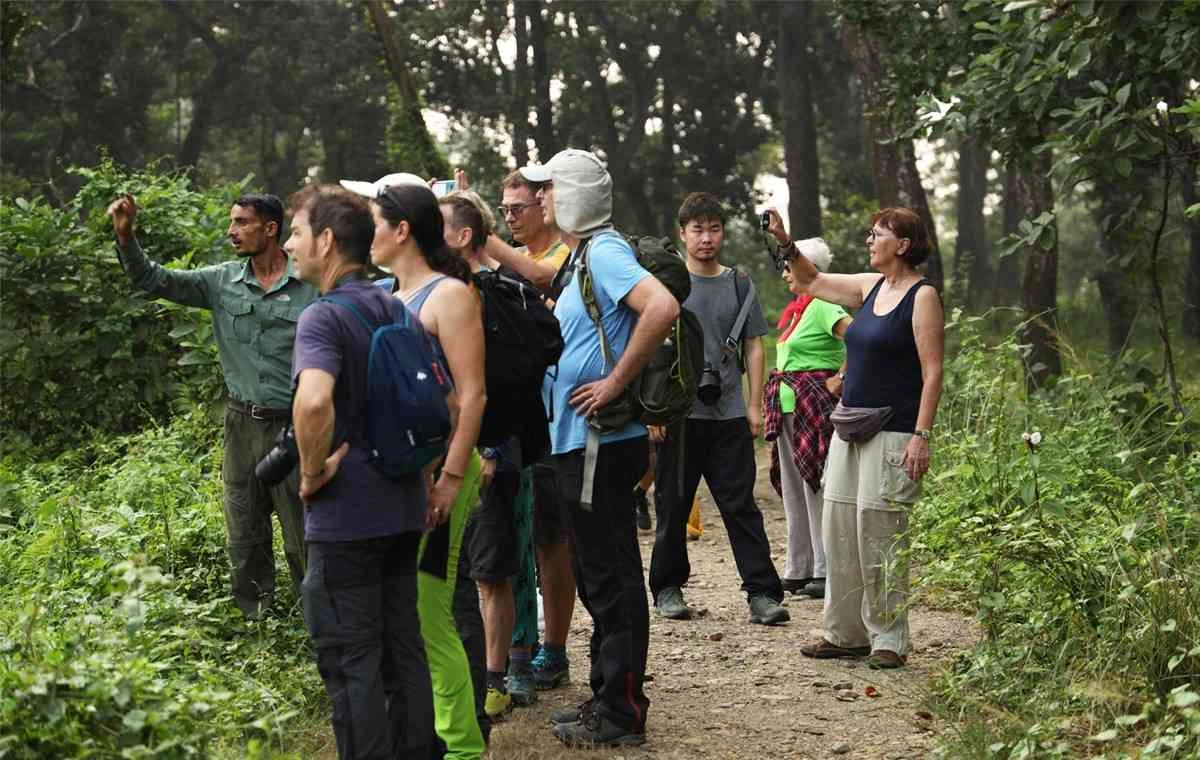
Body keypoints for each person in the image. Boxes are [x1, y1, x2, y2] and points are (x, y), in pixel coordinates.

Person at [529, 149, 679, 748]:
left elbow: (662, 307)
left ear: (572, 197)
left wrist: (615, 382)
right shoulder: (586, 255)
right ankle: (607, 697)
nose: (541, 200)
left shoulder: (608, 252)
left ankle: (621, 715)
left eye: (547, 190)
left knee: (611, 577)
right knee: (597, 575)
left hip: (600, 444)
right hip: (580, 444)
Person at [106, 192, 316, 618]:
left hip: (295, 429)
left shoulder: (311, 285)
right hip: (241, 426)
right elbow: (154, 279)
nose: (231, 231)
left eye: (242, 222)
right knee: (244, 530)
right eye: (232, 222)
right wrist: (127, 239)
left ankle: (320, 627)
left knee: (304, 538)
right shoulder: (221, 281)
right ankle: (255, 620)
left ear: (270, 228)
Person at [285, 185, 434, 759]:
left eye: (297, 233)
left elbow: (315, 401)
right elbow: (439, 405)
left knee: (353, 663)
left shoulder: (322, 318)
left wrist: (311, 470)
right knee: (403, 650)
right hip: (401, 508)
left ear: (326, 241)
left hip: (347, 519)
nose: (292, 246)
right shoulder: (395, 306)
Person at [344, 175, 489, 758]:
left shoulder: (450, 296)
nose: (365, 236)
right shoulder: (387, 295)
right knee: (405, 616)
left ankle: (461, 747)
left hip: (443, 473)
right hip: (406, 475)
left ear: (402, 230)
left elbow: (473, 395)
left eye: (373, 224)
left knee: (431, 616)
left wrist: (451, 481)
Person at [767, 206, 944, 670]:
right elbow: (812, 282)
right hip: (850, 425)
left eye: (877, 234)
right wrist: (786, 243)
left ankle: (888, 637)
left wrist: (921, 435)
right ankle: (845, 633)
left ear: (902, 244)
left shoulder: (922, 296)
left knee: (879, 532)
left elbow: (933, 371)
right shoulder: (871, 286)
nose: (870, 240)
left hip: (894, 429)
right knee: (840, 527)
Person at [648, 192, 789, 627]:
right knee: (673, 503)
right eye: (697, 230)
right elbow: (650, 343)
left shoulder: (739, 282)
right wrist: (653, 410)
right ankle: (667, 588)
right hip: (679, 413)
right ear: (682, 234)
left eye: (714, 229)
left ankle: (762, 593)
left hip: (727, 412)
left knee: (740, 505)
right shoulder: (667, 284)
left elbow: (754, 344)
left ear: (722, 233)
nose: (706, 238)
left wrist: (754, 404)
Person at [438, 189, 542, 716]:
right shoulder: (445, 292)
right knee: (462, 572)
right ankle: (472, 675)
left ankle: (496, 677)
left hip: (495, 451)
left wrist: (494, 447)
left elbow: (505, 380)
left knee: (491, 569)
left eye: (439, 227)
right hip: (462, 453)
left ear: (462, 237)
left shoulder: (493, 293)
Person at [762, 238, 851, 601]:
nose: (785, 272)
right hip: (788, 406)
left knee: (815, 485)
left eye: (790, 265)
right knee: (794, 487)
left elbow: (859, 338)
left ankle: (824, 568)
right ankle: (799, 566)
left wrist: (841, 377)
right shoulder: (799, 310)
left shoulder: (826, 305)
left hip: (813, 406)